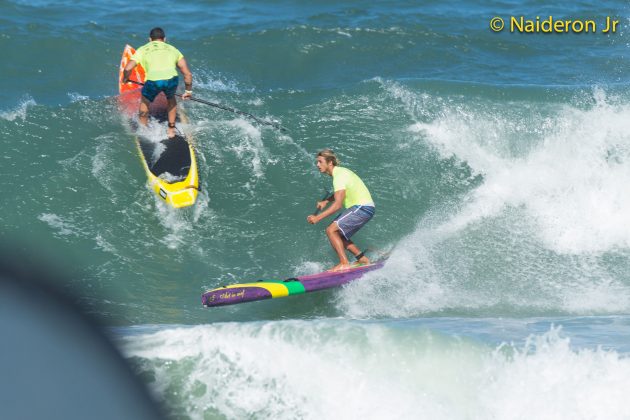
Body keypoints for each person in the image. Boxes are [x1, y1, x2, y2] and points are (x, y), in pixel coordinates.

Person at [306, 149, 375, 271]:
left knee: (331, 230)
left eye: (320, 162)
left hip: (362, 207)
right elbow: (340, 192)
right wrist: (326, 201)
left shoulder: (338, 176)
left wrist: (317, 217)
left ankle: (344, 263)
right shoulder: (341, 173)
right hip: (366, 208)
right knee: (338, 234)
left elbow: (338, 204)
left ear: (330, 162)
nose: (317, 165)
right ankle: (362, 258)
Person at [122, 27, 193, 138]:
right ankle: (171, 130)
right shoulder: (173, 49)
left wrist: (125, 79)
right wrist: (188, 91)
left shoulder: (142, 49)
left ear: (150, 39)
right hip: (171, 79)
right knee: (171, 100)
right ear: (164, 39)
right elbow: (187, 74)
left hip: (153, 81)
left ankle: (144, 129)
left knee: (145, 102)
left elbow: (127, 68)